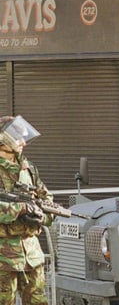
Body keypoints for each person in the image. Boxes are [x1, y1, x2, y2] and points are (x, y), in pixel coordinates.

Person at [0, 115, 53, 304]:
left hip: (31, 254)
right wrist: (20, 210)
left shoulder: (27, 168)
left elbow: (46, 198)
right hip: (3, 257)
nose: (23, 142)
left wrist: (42, 216)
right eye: (17, 137)